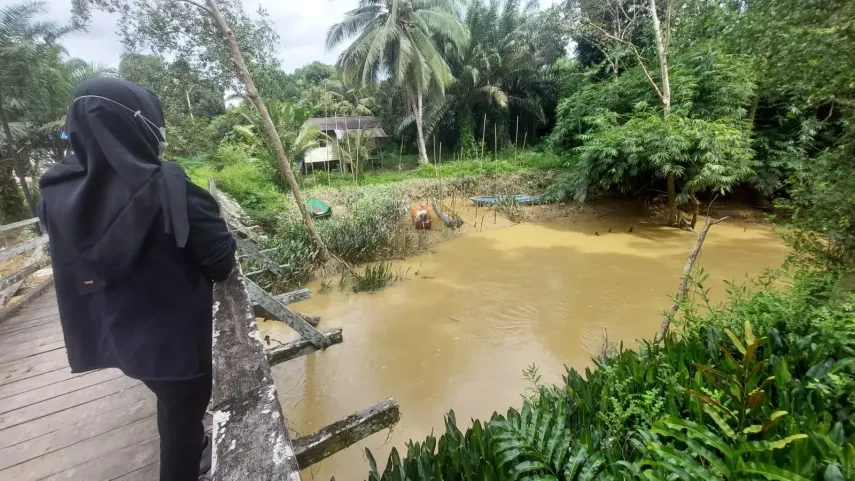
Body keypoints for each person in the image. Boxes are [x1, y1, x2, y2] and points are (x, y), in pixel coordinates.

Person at [38, 78, 236, 481]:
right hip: (175, 342)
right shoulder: (169, 187)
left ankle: (193, 442)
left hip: (114, 335)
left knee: (170, 404)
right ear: (138, 126)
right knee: (181, 418)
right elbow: (220, 261)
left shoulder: (55, 192)